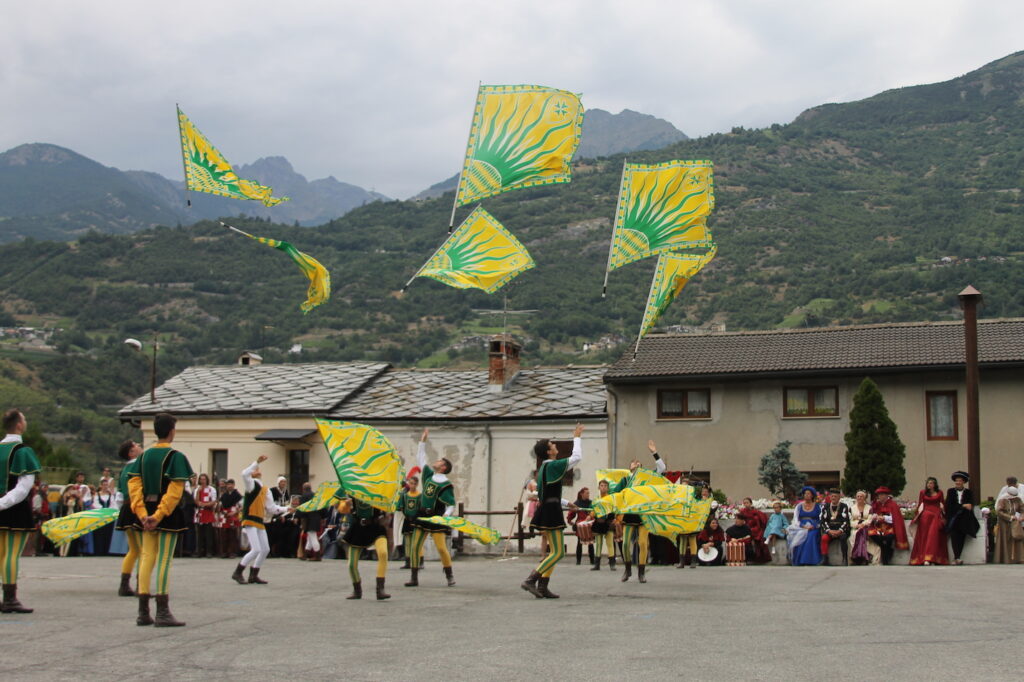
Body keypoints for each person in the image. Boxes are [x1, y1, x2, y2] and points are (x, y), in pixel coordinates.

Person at [127, 412, 194, 627]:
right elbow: (175, 492)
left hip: (145, 511)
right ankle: (163, 610)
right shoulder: (176, 457)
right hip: (166, 514)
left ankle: (143, 611)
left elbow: (134, 487)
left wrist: (143, 513)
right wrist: (159, 515)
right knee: (164, 559)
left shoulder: (143, 457)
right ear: (172, 431)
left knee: (147, 557)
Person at [522, 423, 584, 599]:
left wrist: (567, 503)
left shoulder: (543, 468)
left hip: (548, 509)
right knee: (558, 552)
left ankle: (542, 586)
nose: (555, 446)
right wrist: (577, 436)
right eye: (552, 445)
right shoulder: (553, 466)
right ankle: (531, 579)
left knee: (553, 552)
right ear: (549, 452)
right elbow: (577, 457)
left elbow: (545, 494)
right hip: (551, 512)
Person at [231, 455, 296, 585]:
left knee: (265, 549)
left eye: (258, 468)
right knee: (255, 549)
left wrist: (286, 509)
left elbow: (271, 508)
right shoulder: (251, 484)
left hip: (259, 520)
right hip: (250, 519)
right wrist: (256, 462)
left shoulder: (266, 489)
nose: (257, 470)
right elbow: (244, 474)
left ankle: (254, 574)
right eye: (255, 469)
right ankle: (237, 572)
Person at [0, 409, 41, 613]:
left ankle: (4, 598)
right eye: (24, 419)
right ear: (18, 425)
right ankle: (10, 598)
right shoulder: (23, 450)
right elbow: (23, 488)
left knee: (0, 554)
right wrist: (4, 503)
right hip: (14, 508)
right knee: (12, 554)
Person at [406, 429, 457, 588]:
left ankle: (449, 575)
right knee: (415, 546)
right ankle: (414, 577)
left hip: (436, 517)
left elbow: (451, 504)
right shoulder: (428, 474)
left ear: (443, 467)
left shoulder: (446, 484)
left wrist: (446, 516)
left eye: (440, 461)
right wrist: (423, 441)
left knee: (441, 548)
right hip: (422, 515)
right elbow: (420, 458)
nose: (436, 461)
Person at [611, 439, 666, 584]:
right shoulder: (625, 480)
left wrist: (654, 452)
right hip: (629, 515)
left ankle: (641, 572)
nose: (636, 463)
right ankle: (628, 569)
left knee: (642, 543)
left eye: (638, 463)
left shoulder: (647, 478)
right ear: (629, 468)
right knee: (624, 544)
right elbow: (614, 495)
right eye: (633, 462)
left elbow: (661, 468)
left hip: (643, 516)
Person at [337, 491, 391, 600]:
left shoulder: (379, 487)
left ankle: (380, 589)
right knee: (352, 564)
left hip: (375, 527)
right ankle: (357, 590)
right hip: (358, 528)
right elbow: (341, 508)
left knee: (383, 553)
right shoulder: (353, 489)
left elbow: (390, 504)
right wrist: (346, 504)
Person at [113, 440, 142, 596]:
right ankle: (141, 585)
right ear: (131, 452)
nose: (139, 445)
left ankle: (124, 585)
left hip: (125, 508)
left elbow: (118, 495)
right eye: (136, 445)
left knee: (133, 550)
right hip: (137, 509)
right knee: (145, 550)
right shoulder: (139, 466)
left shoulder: (123, 470)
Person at [909, 477, 948, 566]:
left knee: (934, 537)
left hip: (936, 516)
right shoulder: (922, 492)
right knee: (925, 537)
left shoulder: (940, 492)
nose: (929, 485)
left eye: (931, 483)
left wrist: (944, 516)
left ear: (935, 484)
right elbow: (920, 504)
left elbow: (942, 504)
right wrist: (916, 517)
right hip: (925, 516)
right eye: (928, 483)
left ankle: (934, 558)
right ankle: (925, 558)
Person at [867, 486, 909, 565]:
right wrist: (875, 517)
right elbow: (872, 514)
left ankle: (886, 559)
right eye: (879, 495)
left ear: (886, 495)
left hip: (889, 527)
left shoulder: (893, 505)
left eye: (882, 494)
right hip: (878, 527)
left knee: (889, 537)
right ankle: (888, 550)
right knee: (871, 534)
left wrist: (884, 518)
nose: (880, 496)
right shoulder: (877, 504)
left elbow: (895, 518)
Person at [945, 471, 979, 565]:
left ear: (963, 482)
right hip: (954, 518)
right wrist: (963, 505)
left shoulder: (968, 492)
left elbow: (970, 505)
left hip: (964, 519)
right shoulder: (951, 491)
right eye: (956, 481)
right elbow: (949, 505)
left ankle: (958, 557)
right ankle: (956, 557)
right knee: (954, 537)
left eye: (960, 481)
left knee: (961, 538)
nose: (958, 482)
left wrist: (964, 506)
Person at [787, 486, 822, 566]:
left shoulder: (817, 506)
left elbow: (821, 518)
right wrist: (803, 526)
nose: (806, 495)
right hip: (801, 526)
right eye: (805, 493)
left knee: (811, 535)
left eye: (808, 493)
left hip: (814, 527)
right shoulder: (799, 506)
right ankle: (800, 560)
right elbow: (795, 519)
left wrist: (815, 526)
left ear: (812, 495)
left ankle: (810, 560)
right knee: (799, 536)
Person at [819, 488, 851, 566]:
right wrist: (829, 531)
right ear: (830, 497)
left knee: (843, 538)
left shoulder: (844, 506)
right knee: (824, 538)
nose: (833, 498)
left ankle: (844, 559)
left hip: (841, 531)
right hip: (830, 530)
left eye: (835, 496)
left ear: (839, 497)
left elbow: (846, 521)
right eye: (832, 496)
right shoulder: (825, 507)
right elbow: (823, 521)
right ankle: (825, 559)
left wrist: (840, 531)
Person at [589, 479, 616, 571]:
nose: (603, 487)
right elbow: (593, 509)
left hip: (608, 522)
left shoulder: (611, 498)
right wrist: (590, 516)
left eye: (605, 486)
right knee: (598, 543)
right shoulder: (596, 499)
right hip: (599, 522)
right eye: (601, 485)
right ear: (599, 487)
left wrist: (615, 519)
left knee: (610, 543)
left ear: (608, 488)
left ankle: (612, 564)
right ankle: (597, 564)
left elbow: (614, 509)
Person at [396, 474, 420, 568]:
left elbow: (419, 508)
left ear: (417, 484)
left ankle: (416, 560)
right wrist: (406, 515)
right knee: (407, 541)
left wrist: (415, 517)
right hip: (407, 520)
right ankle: (407, 561)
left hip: (415, 520)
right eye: (410, 483)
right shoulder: (404, 495)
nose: (412, 485)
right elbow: (400, 507)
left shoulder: (419, 496)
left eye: (414, 483)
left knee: (415, 542)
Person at [994, 486, 1024, 564]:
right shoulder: (1002, 500)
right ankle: (1006, 559)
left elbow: (1022, 509)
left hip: (1015, 523)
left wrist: (1021, 517)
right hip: (1005, 523)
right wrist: (1009, 517)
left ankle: (1019, 558)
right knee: (1006, 539)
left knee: (1017, 538)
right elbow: (999, 512)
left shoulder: (1018, 500)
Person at [848, 490, 879, 565]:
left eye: (861, 496)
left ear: (864, 498)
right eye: (858, 496)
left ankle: (865, 556)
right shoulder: (851, 508)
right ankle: (856, 557)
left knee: (863, 535)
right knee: (853, 536)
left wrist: (863, 524)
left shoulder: (869, 508)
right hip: (855, 528)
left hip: (866, 527)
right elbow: (849, 520)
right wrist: (857, 525)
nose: (859, 498)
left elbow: (870, 519)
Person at [737, 497, 770, 564]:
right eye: (744, 503)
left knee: (759, 538)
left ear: (751, 503)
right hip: (745, 529)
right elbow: (740, 521)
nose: (746, 504)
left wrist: (754, 528)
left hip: (755, 528)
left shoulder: (756, 512)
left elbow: (760, 521)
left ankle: (759, 558)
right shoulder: (742, 512)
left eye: (747, 503)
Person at [567, 487, 594, 566]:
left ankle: (592, 561)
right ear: (582, 494)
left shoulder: (591, 503)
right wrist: (569, 520)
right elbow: (571, 513)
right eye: (587, 493)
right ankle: (578, 561)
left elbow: (594, 512)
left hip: (589, 524)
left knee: (590, 543)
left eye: (588, 493)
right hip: (580, 525)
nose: (588, 494)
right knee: (579, 543)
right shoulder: (577, 503)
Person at [193, 473, 217, 558]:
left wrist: (205, 504)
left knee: (208, 534)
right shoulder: (197, 490)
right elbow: (195, 500)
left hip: (208, 512)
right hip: (200, 513)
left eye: (204, 479)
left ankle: (209, 552)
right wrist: (198, 494)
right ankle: (199, 551)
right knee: (200, 534)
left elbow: (214, 501)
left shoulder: (212, 489)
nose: (202, 481)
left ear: (207, 480)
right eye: (201, 479)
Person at [218, 478, 242, 559]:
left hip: (233, 515)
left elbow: (241, 506)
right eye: (228, 484)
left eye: (231, 484)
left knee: (233, 535)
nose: (229, 486)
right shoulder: (224, 495)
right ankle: (224, 552)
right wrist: (223, 512)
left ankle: (233, 552)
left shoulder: (237, 495)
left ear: (234, 485)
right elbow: (220, 505)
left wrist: (234, 512)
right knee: (224, 535)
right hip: (225, 516)